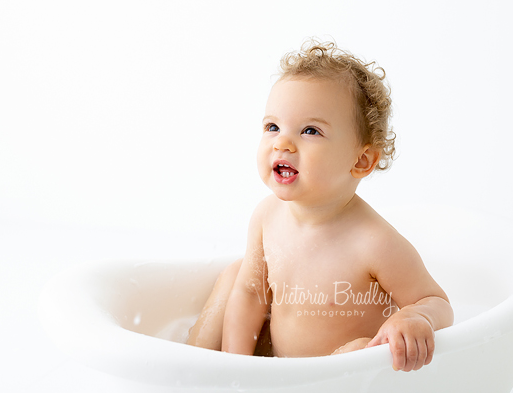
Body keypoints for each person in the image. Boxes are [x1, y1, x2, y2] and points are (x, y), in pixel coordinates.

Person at [186, 40, 453, 372]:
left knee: (359, 350)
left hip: (331, 375)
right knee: (235, 277)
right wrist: (238, 371)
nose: (281, 142)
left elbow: (436, 302)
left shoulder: (374, 242)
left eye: (310, 131)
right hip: (273, 361)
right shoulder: (267, 216)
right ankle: (192, 365)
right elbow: (252, 298)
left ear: (361, 160)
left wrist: (414, 317)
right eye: (272, 127)